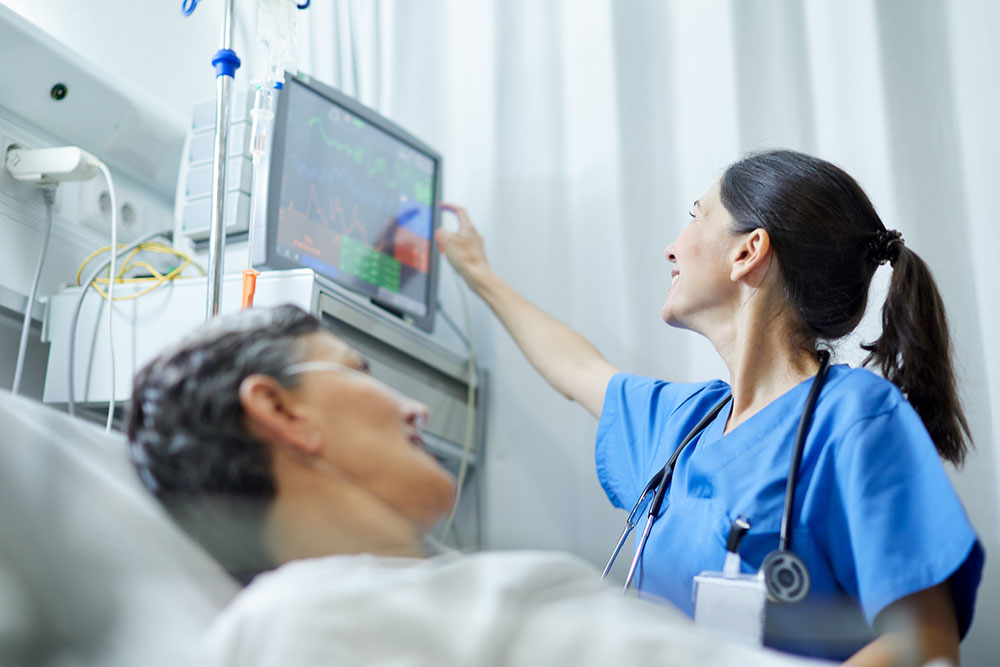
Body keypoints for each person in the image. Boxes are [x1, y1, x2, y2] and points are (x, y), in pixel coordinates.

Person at [435, 149, 983, 664]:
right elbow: (577, 370)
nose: (672, 247)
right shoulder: (686, 424)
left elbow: (925, 644)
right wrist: (478, 274)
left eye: (696, 217)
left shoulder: (854, 416)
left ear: (748, 251)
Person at [126, 304, 818, 667]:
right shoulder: (302, 618)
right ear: (281, 410)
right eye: (357, 370)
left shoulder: (421, 593)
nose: (414, 406)